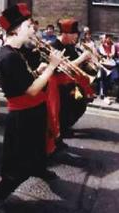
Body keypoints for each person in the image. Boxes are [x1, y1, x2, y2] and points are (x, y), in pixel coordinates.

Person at [0, 3, 64, 212]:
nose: (34, 30)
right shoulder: (8, 57)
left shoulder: (19, 51)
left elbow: (28, 77)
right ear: (16, 29)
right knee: (19, 165)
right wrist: (50, 67)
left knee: (39, 149)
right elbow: (30, 90)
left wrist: (40, 69)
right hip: (23, 117)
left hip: (35, 111)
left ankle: (39, 169)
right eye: (30, 26)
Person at [46, 18, 94, 154]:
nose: (76, 37)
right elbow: (62, 67)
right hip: (57, 86)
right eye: (74, 35)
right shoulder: (54, 46)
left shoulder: (70, 46)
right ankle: (57, 139)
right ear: (66, 34)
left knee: (80, 104)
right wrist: (82, 58)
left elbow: (75, 65)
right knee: (59, 114)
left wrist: (88, 62)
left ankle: (64, 128)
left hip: (69, 83)